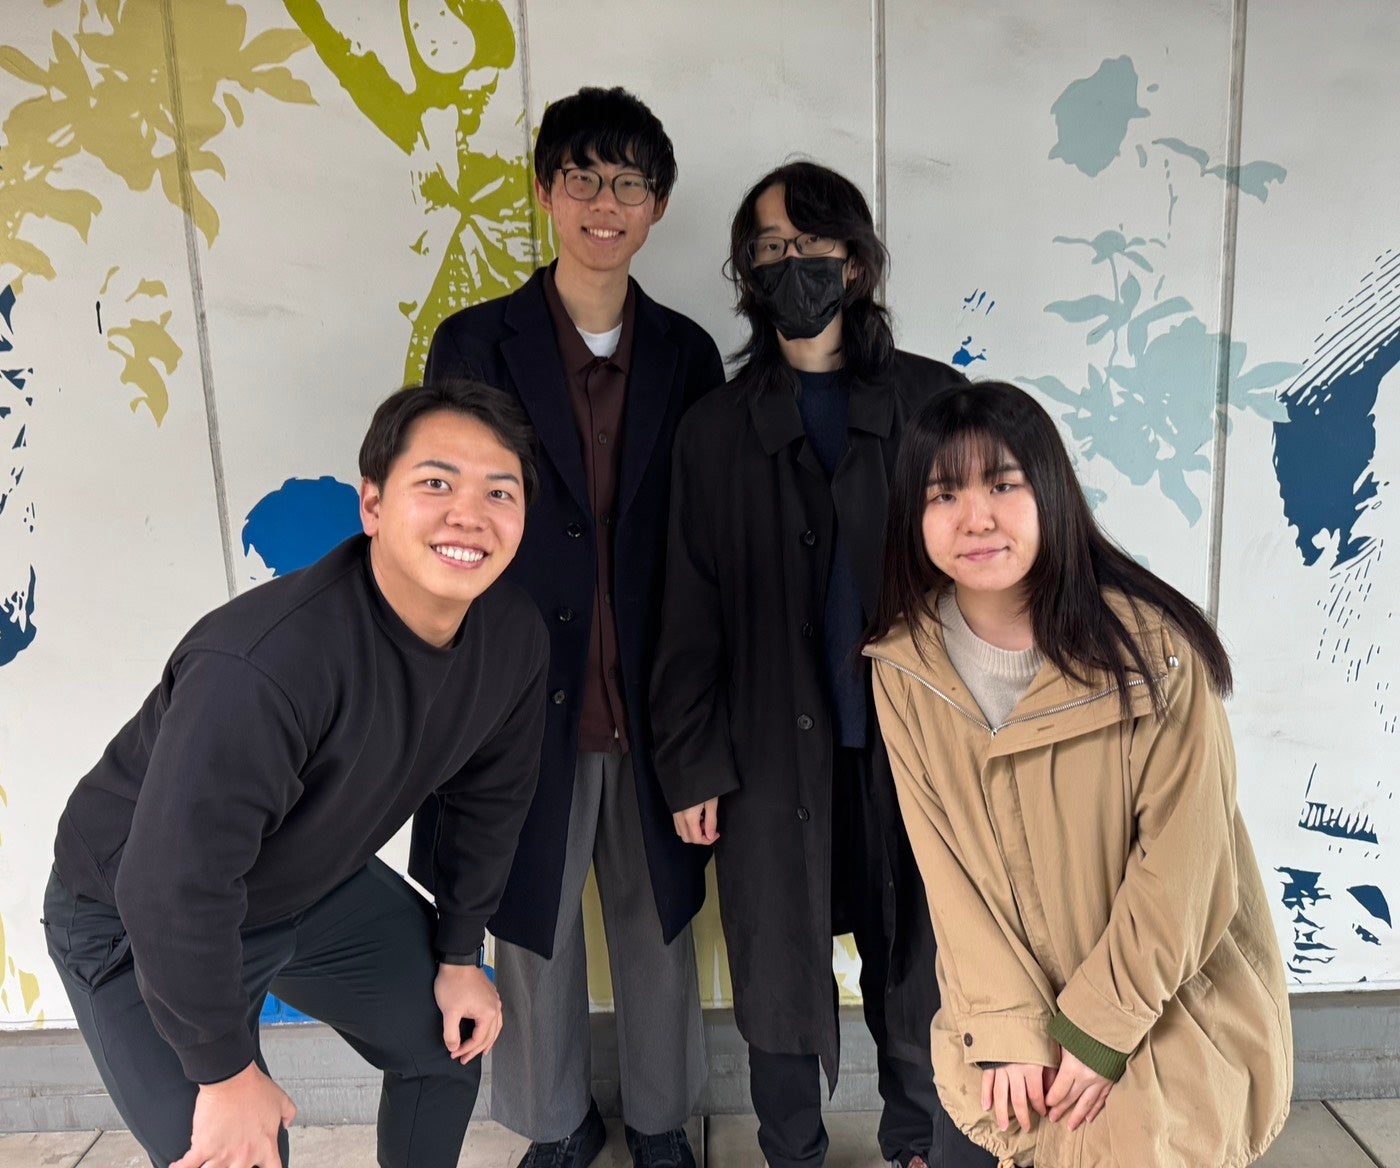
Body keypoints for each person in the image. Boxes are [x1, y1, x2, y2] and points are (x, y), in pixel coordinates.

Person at [43, 381, 548, 1168]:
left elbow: (492, 802)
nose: (468, 515)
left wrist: (459, 954)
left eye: (499, 492)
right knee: (241, 1148)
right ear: (373, 504)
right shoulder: (264, 664)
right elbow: (169, 885)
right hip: (132, 915)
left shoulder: (512, 637)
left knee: (446, 1040)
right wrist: (224, 1071)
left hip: (305, 884)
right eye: (437, 483)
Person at [651, 160, 989, 1168]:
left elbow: (987, 574)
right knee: (776, 961)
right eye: (768, 247)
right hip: (763, 749)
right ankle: (790, 1149)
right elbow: (686, 608)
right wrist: (691, 763)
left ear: (857, 262)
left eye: (810, 245)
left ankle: (920, 1141)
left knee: (921, 955)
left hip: (917, 743)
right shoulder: (714, 428)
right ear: (746, 270)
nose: (788, 264)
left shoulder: (934, 401)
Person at [863, 381, 1293, 1167]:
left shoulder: (1153, 653)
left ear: (1052, 494)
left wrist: (1096, 1030)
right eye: (944, 494)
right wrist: (1007, 1026)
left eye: (1003, 485)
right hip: (996, 1029)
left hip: (1154, 1013)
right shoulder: (905, 667)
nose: (976, 518)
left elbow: (1186, 868)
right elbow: (945, 871)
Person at [412, 86, 724, 1168]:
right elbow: (448, 520)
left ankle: (660, 1121)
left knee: (658, 920)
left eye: (628, 183)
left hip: (650, 688)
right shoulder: (475, 342)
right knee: (530, 922)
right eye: (582, 177)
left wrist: (703, 722)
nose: (604, 202)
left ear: (657, 206)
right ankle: (554, 1123)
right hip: (517, 690)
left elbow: (700, 541)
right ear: (546, 192)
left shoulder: (686, 355)